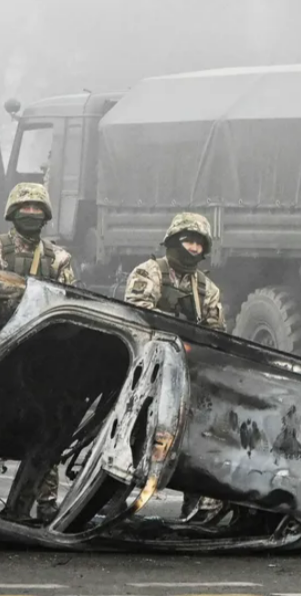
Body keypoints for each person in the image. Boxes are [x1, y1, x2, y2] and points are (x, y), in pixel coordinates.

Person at [0, 183, 76, 520]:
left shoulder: (59, 259)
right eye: (25, 208)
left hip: (41, 355)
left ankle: (46, 501)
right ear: (12, 212)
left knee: (47, 429)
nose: (31, 214)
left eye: (37, 209)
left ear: (46, 215)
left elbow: (71, 304)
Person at [124, 211, 226, 521]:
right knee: (133, 439)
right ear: (172, 241)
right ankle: (114, 501)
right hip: (148, 373)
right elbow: (137, 317)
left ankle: (195, 507)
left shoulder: (207, 289)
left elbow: (216, 334)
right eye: (188, 241)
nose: (193, 248)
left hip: (186, 376)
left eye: (199, 244)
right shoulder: (149, 273)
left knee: (192, 441)